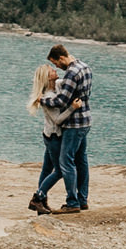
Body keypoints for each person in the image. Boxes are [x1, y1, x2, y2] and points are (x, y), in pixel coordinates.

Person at [41, 41, 93, 212]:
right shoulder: (85, 67)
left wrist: (42, 100)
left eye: (56, 63)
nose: (57, 66)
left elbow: (61, 101)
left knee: (66, 162)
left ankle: (72, 203)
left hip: (73, 124)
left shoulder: (71, 73)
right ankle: (82, 199)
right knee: (81, 160)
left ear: (62, 57)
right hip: (86, 120)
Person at [27, 57, 65, 213]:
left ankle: (42, 202)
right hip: (54, 137)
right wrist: (73, 108)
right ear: (47, 78)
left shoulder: (54, 87)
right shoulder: (47, 97)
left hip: (48, 135)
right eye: (51, 70)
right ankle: (38, 197)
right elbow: (57, 119)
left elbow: (66, 81)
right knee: (61, 171)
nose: (55, 70)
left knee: (47, 169)